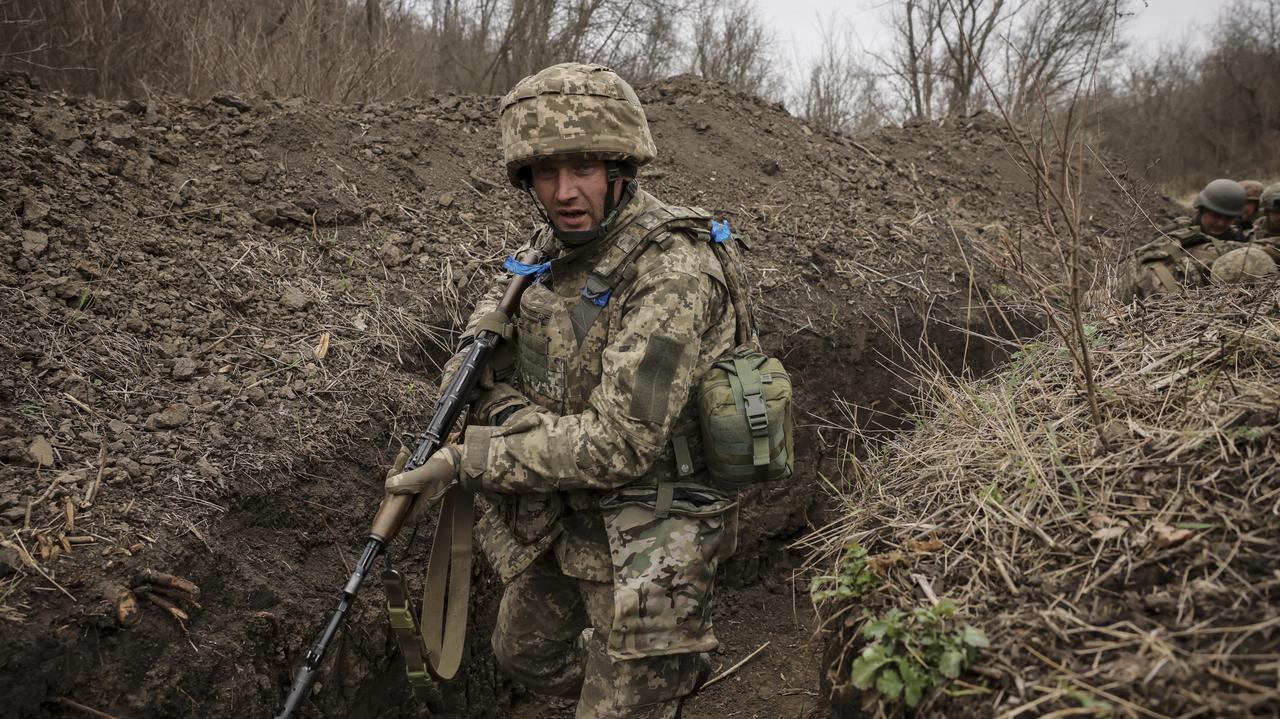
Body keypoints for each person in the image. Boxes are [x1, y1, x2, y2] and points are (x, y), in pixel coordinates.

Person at [384, 63, 746, 718]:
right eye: (545, 173)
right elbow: (470, 370)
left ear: (620, 165)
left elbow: (620, 444)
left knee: (624, 700)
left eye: (581, 168)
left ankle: (652, 674)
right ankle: (648, 678)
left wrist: (473, 457)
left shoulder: (676, 272)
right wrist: (505, 412)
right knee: (524, 651)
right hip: (574, 511)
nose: (564, 190)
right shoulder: (543, 254)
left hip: (656, 523)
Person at [1119, 178, 1249, 300]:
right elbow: (1143, 265)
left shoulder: (1236, 239)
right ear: (1201, 209)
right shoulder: (1173, 232)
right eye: (1215, 216)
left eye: (1228, 218)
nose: (1221, 223)